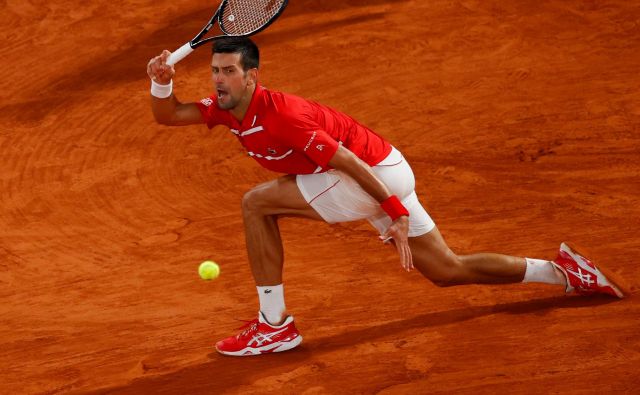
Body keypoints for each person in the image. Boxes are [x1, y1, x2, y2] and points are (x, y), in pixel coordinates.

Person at [147, 37, 624, 357]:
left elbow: (347, 163)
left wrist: (393, 213)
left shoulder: (284, 116)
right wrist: (161, 79)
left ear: (252, 76)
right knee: (446, 270)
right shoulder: (228, 108)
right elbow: (169, 114)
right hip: (384, 170)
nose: (218, 80)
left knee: (257, 203)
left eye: (229, 71)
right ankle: (563, 273)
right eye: (214, 71)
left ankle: (274, 325)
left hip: (370, 176)